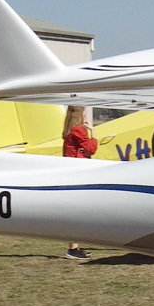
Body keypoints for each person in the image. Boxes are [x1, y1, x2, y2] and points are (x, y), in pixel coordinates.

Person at [62, 106, 97, 260]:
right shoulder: (78, 129)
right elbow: (91, 148)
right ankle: (73, 249)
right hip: (78, 174)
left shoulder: (70, 129)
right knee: (77, 211)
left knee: (76, 210)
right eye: (84, 110)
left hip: (72, 172)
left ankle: (74, 247)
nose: (86, 113)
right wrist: (93, 132)